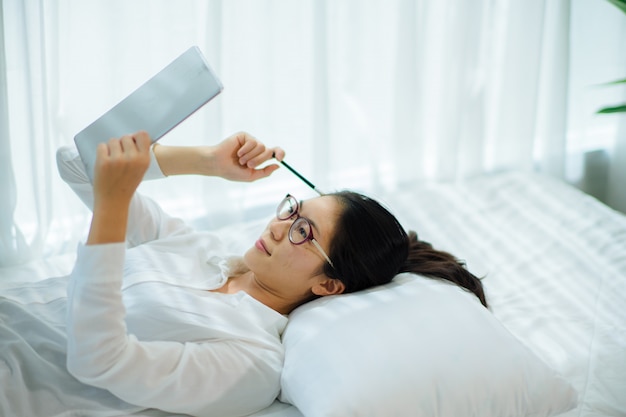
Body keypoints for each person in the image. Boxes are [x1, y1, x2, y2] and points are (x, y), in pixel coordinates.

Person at [6, 130, 486, 417]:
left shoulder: (251, 363)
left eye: (303, 231)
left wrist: (111, 209)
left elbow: (98, 360)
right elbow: (77, 164)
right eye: (291, 209)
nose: (279, 226)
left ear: (328, 285)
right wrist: (206, 162)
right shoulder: (204, 248)